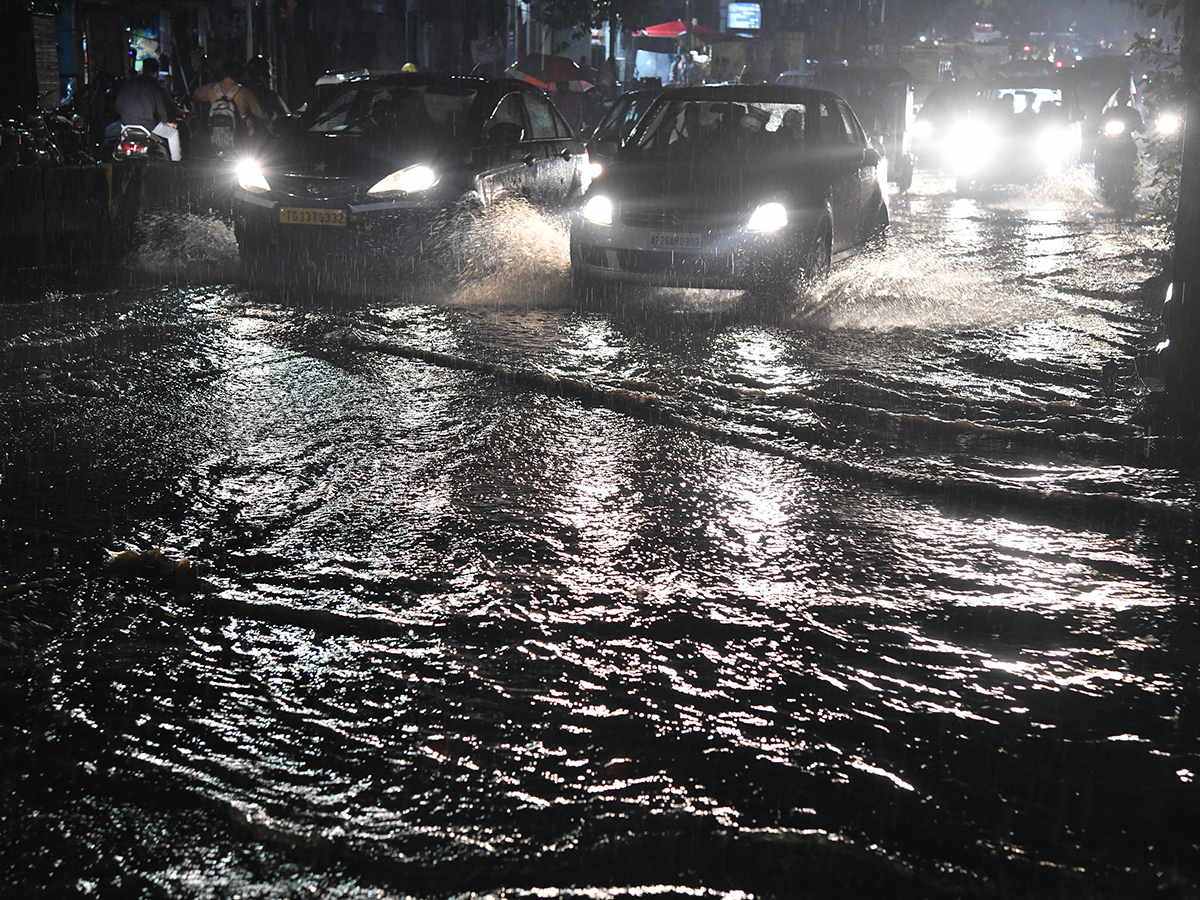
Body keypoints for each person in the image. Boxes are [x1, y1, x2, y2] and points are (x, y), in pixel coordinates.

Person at [193, 60, 272, 154]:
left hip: (216, 136)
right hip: (241, 138)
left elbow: (197, 93)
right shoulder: (244, 92)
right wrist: (269, 119)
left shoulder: (212, 90)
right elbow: (260, 113)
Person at [113, 57, 183, 161]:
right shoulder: (155, 87)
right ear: (156, 73)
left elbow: (118, 105)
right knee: (173, 134)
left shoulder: (129, 83)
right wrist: (167, 122)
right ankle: (176, 166)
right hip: (147, 126)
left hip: (126, 125)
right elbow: (162, 111)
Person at [243, 55, 290, 128]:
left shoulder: (242, 93)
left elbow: (285, 115)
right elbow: (285, 115)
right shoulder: (270, 95)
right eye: (268, 73)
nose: (270, 78)